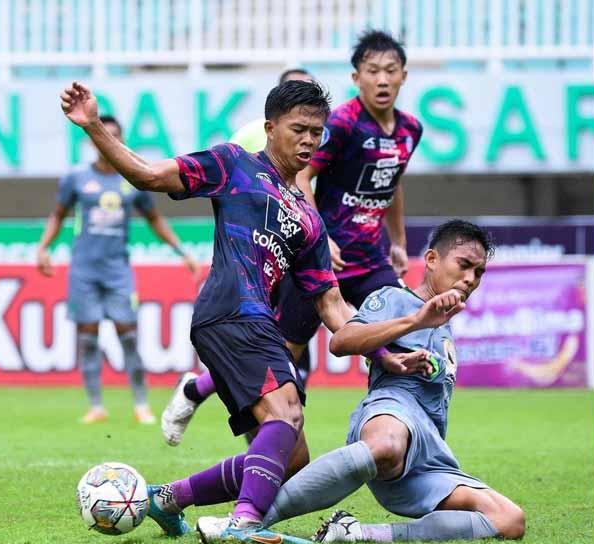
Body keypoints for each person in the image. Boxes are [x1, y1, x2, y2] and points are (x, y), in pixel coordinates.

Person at [59, 79, 431, 544]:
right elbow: (150, 176)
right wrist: (95, 126)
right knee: (287, 411)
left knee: (289, 458)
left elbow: (333, 308)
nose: (309, 141)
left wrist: (383, 355)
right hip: (231, 309)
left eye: (317, 133)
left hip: (257, 323)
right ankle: (244, 521)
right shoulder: (232, 164)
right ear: (270, 128)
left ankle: (168, 498)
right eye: (299, 129)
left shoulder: (309, 218)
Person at [161, 30, 424, 446]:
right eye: (374, 71)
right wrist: (323, 235)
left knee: (401, 330)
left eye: (390, 71)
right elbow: (299, 178)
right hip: (316, 254)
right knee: (287, 353)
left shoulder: (410, 129)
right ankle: (208, 396)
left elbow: (392, 181)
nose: (383, 79)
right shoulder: (337, 125)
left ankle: (396, 427)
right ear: (357, 77)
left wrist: (398, 241)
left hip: (370, 257)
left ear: (404, 76)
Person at [197, 220, 527, 544]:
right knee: (385, 445)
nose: (470, 279)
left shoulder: (445, 323)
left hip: (430, 450)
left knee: (510, 520)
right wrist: (415, 320)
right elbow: (342, 341)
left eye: (479, 272)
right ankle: (248, 520)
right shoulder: (395, 299)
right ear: (431, 260)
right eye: (464, 265)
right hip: (392, 412)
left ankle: (359, 534)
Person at [162, 67, 315, 449]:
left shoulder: (319, 140)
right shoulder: (248, 140)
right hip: (261, 267)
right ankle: (262, 473)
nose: (308, 131)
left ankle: (200, 389)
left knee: (286, 376)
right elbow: (233, 194)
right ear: (273, 118)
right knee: (278, 368)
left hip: (304, 251)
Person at [35, 115, 201, 425]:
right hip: (84, 269)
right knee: (87, 337)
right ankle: (96, 405)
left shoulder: (133, 180)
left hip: (117, 270)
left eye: (112, 136)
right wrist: (43, 247)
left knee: (128, 334)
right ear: (93, 141)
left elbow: (154, 219)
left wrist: (183, 252)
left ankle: (141, 404)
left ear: (119, 140)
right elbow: (58, 214)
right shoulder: (75, 178)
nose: (105, 142)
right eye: (101, 136)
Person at [229, 68, 314, 153]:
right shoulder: (248, 134)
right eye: (296, 89)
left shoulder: (325, 133)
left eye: (310, 89)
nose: (304, 95)